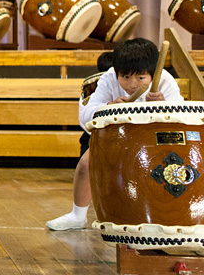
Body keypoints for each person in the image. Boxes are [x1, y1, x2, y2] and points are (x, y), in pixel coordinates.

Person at [46, 38, 182, 231]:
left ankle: (163, 216)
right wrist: (109, 107)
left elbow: (180, 120)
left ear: (152, 73)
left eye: (140, 78)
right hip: (116, 136)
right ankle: (77, 216)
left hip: (153, 141)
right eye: (125, 77)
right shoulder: (108, 79)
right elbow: (85, 117)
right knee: (86, 164)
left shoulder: (166, 82)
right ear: (117, 72)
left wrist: (163, 106)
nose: (132, 84)